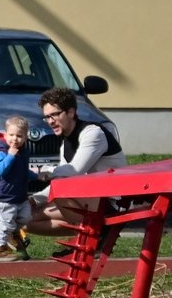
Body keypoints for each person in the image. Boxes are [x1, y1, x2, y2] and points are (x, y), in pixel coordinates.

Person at [29, 87, 130, 235]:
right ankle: (86, 237)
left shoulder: (93, 133)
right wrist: (33, 200)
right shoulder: (66, 143)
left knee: (60, 189)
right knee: (26, 220)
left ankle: (94, 236)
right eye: (47, 117)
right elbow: (62, 177)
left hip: (112, 203)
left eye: (54, 115)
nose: (50, 121)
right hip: (90, 202)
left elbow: (75, 171)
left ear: (70, 112)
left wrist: (41, 171)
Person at [0, 115, 34, 262]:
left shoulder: (22, 151)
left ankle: (13, 235)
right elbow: (1, 170)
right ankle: (0, 248)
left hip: (19, 196)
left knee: (26, 217)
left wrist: (37, 176)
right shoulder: (3, 151)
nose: (15, 139)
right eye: (11, 135)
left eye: (19, 136)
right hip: (4, 197)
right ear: (5, 134)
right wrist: (10, 156)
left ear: (25, 137)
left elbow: (22, 171)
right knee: (5, 224)